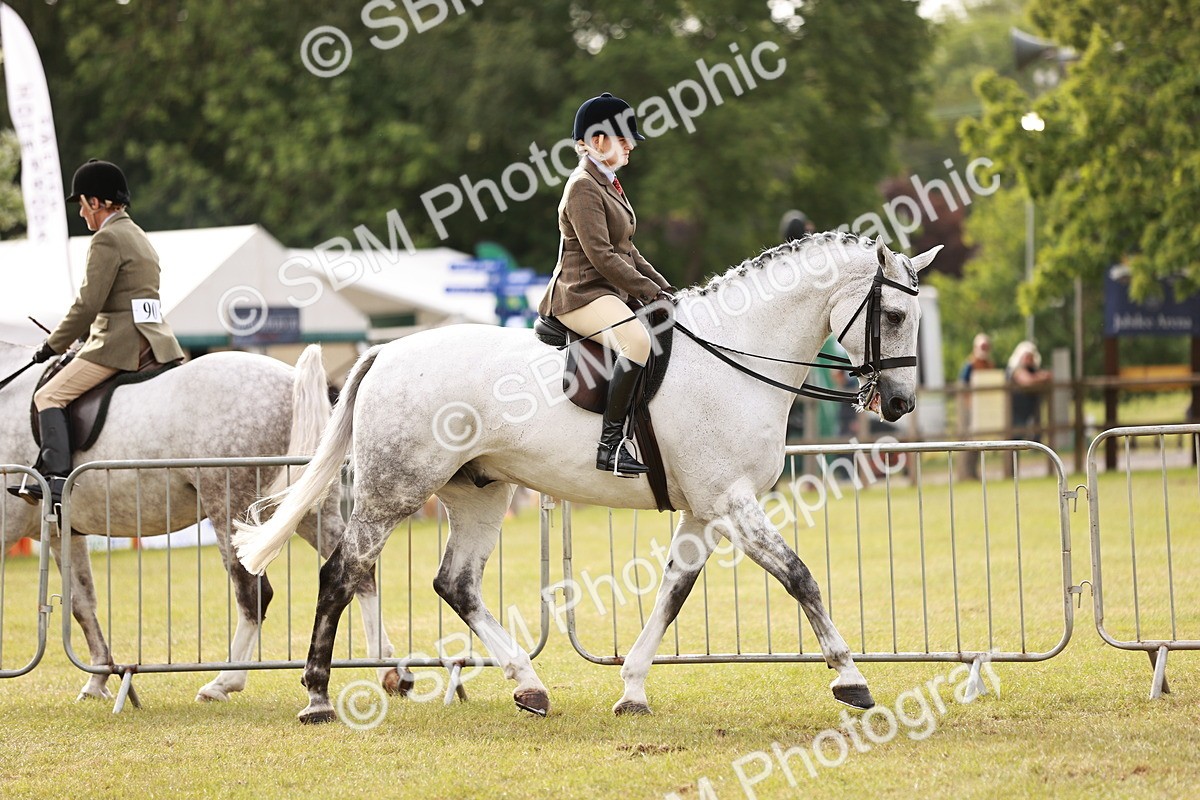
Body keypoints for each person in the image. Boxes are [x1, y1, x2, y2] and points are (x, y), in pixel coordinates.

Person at [8, 159, 184, 505]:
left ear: (97, 202)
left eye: (83, 204)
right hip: (154, 340)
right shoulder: (138, 234)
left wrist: (52, 345)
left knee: (48, 395)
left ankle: (54, 479)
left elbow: (87, 305)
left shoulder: (107, 238)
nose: (81, 214)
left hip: (119, 344)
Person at [538, 93, 673, 477]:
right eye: (623, 138)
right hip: (580, 294)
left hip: (605, 291)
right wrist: (647, 291)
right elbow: (601, 256)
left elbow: (627, 249)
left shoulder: (608, 183)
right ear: (598, 141)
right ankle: (610, 447)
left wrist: (665, 287)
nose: (631, 145)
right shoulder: (583, 185)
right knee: (638, 341)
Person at [1006, 340, 1052, 441]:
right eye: (1026, 356)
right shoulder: (1015, 369)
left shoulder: (1033, 369)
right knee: (1015, 439)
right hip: (1015, 411)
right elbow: (1027, 381)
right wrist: (1041, 378)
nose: (1029, 360)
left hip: (1029, 411)